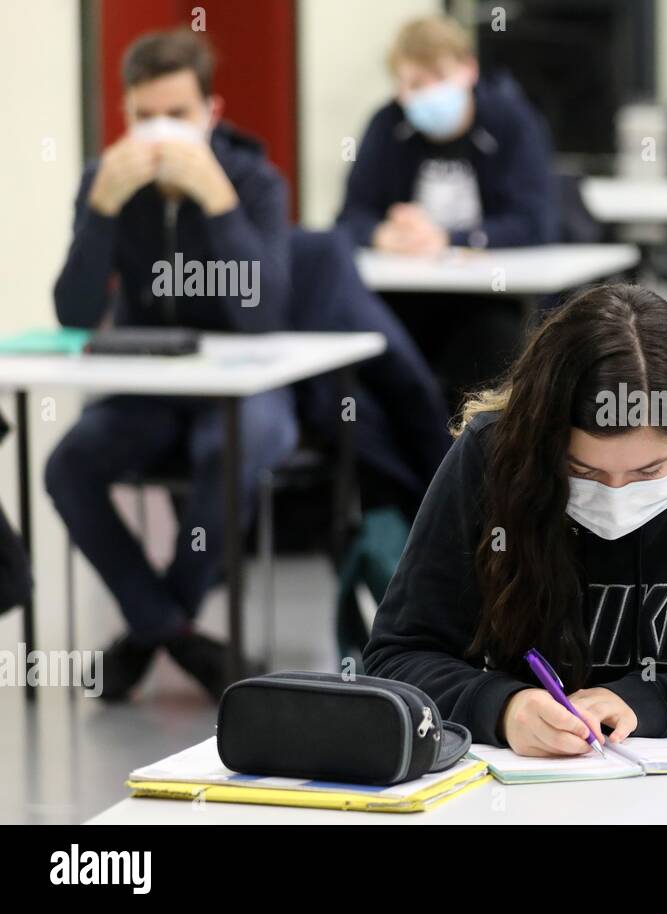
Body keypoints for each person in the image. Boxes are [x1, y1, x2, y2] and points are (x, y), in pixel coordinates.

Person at [363, 284, 667, 754]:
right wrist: (502, 709)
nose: (617, 494)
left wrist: (653, 702)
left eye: (650, 470)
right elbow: (399, 658)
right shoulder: (494, 459)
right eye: (584, 470)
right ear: (542, 439)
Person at [46, 29, 295, 702]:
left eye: (177, 116)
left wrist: (218, 203)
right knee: (68, 464)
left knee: (232, 451)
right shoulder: (108, 182)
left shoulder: (253, 180)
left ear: (210, 113)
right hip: (150, 387)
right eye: (144, 116)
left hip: (246, 387)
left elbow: (265, 311)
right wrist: (99, 211)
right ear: (126, 115)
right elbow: (72, 313)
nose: (160, 133)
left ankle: (152, 627)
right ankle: (173, 629)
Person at [336, 14, 558, 414]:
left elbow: (534, 222)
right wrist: (381, 234)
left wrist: (449, 239)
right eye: (406, 85)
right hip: (404, 297)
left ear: (468, 70)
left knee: (495, 345)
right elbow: (349, 218)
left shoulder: (512, 122)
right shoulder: (387, 125)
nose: (417, 96)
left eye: (429, 81)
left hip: (490, 298)